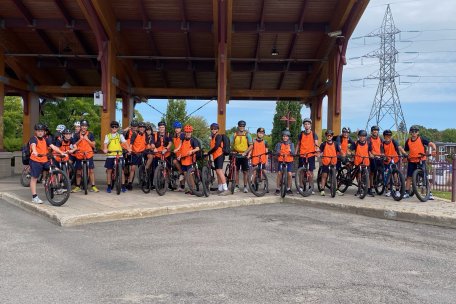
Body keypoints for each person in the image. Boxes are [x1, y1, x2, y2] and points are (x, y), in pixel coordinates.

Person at [29, 123, 66, 204]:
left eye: (42, 131)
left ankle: (50, 183)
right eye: (38, 131)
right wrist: (34, 151)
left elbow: (53, 146)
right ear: (36, 131)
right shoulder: (34, 138)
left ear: (44, 132)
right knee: (34, 178)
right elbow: (33, 145)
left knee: (55, 169)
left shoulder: (46, 139)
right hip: (35, 160)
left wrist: (61, 152)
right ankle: (34, 197)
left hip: (44, 160)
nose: (40, 133)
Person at [403, 125, 437, 199]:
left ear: (418, 132)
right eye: (412, 131)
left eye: (415, 131)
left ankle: (429, 193)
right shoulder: (408, 141)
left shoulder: (422, 139)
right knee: (409, 176)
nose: (414, 133)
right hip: (412, 160)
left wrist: (434, 149)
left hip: (421, 159)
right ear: (410, 133)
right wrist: (405, 156)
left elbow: (431, 144)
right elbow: (405, 150)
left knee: (425, 176)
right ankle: (406, 192)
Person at [102, 121, 131, 193]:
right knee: (109, 170)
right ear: (111, 127)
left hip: (119, 154)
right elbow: (105, 143)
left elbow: (125, 142)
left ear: (118, 128)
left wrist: (128, 149)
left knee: (122, 171)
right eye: (113, 126)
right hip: (110, 155)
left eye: (116, 127)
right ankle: (109, 186)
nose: (114, 128)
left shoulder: (120, 135)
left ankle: (123, 186)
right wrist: (105, 149)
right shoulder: (107, 136)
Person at [71, 119, 99, 193]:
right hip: (79, 154)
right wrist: (80, 140)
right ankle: (78, 186)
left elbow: (93, 144)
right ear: (80, 126)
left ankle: (93, 186)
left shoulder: (90, 134)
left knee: (91, 170)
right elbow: (74, 145)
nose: (84, 127)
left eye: (85, 126)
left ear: (87, 127)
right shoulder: (76, 135)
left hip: (88, 154)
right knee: (78, 171)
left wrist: (87, 140)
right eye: (82, 126)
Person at [295, 118, 319, 193]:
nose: (307, 125)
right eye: (305, 124)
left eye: (308, 124)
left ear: (310, 125)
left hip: (311, 155)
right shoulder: (301, 134)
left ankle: (310, 187)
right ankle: (301, 187)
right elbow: (298, 144)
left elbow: (316, 144)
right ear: (303, 125)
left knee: (310, 171)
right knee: (301, 171)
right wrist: (295, 153)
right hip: (302, 155)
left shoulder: (314, 134)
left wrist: (317, 151)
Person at [205, 123, 230, 196]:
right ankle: (220, 188)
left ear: (218, 129)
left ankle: (226, 189)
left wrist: (208, 152)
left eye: (215, 129)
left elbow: (216, 147)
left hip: (219, 155)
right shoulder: (213, 137)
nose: (213, 130)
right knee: (217, 172)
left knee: (219, 171)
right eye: (212, 129)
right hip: (216, 156)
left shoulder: (218, 136)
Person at [229, 120, 253, 193]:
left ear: (244, 126)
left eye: (243, 126)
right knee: (236, 171)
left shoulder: (247, 134)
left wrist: (245, 152)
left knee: (245, 172)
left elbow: (251, 145)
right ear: (238, 126)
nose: (242, 127)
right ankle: (236, 186)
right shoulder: (234, 134)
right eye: (240, 126)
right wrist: (231, 150)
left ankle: (245, 186)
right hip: (236, 155)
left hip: (244, 155)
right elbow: (229, 143)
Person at [381, 129, 406, 197]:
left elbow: (399, 147)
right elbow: (382, 152)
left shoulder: (394, 141)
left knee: (395, 176)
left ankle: (397, 190)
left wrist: (404, 153)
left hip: (395, 159)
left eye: (389, 135)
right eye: (387, 135)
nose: (388, 137)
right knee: (388, 176)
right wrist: (384, 156)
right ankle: (389, 190)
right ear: (384, 136)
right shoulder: (382, 143)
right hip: (386, 160)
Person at [177, 125, 201, 194]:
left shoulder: (193, 140)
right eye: (187, 132)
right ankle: (189, 188)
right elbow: (182, 150)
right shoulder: (183, 140)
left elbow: (197, 148)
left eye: (189, 132)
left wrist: (192, 151)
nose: (188, 133)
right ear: (185, 132)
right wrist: (180, 156)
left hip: (190, 160)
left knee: (190, 175)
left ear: (191, 132)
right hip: (183, 160)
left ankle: (193, 189)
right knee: (186, 175)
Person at [319, 130, 344, 196]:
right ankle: (322, 189)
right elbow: (320, 151)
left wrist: (343, 154)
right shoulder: (323, 144)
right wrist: (319, 154)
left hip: (333, 161)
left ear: (332, 136)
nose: (329, 137)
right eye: (328, 135)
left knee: (334, 176)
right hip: (326, 161)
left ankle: (336, 189)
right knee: (324, 175)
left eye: (330, 135)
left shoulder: (335, 144)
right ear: (326, 136)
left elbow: (339, 151)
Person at [350, 130, 373, 196]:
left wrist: (371, 155)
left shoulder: (368, 143)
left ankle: (368, 189)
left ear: (365, 137)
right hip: (358, 161)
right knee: (359, 175)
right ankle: (359, 189)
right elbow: (350, 150)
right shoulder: (355, 143)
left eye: (363, 136)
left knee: (367, 176)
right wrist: (351, 153)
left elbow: (370, 152)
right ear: (358, 136)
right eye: (361, 136)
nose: (362, 138)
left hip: (366, 161)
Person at [127, 121, 147, 190]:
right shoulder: (135, 134)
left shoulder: (146, 134)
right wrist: (129, 149)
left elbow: (147, 143)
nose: (141, 128)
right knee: (133, 168)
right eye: (140, 127)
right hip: (135, 153)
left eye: (143, 127)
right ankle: (130, 183)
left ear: (144, 128)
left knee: (143, 168)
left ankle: (144, 181)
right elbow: (131, 143)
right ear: (138, 128)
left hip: (142, 153)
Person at [274, 130, 295, 195]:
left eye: (286, 136)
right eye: (283, 136)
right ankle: (278, 188)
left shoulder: (291, 144)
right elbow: (277, 151)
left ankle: (288, 188)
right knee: (279, 173)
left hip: (289, 161)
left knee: (289, 174)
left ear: (288, 137)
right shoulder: (279, 144)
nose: (285, 137)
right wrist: (278, 153)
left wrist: (291, 151)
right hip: (281, 160)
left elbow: (293, 153)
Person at [367, 126, 384, 197]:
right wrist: (370, 154)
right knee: (371, 173)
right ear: (371, 131)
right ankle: (369, 188)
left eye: (376, 130)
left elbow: (382, 148)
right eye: (374, 130)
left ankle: (379, 184)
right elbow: (367, 148)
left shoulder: (380, 139)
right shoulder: (369, 139)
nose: (375, 131)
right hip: (372, 157)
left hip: (379, 157)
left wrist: (383, 154)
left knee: (381, 171)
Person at [172, 121, 186, 191]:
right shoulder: (174, 136)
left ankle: (185, 185)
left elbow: (183, 145)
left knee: (182, 171)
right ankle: (182, 186)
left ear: (181, 128)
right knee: (179, 170)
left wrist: (180, 154)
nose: (176, 129)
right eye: (175, 128)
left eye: (178, 128)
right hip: (177, 155)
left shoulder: (183, 135)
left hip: (183, 155)